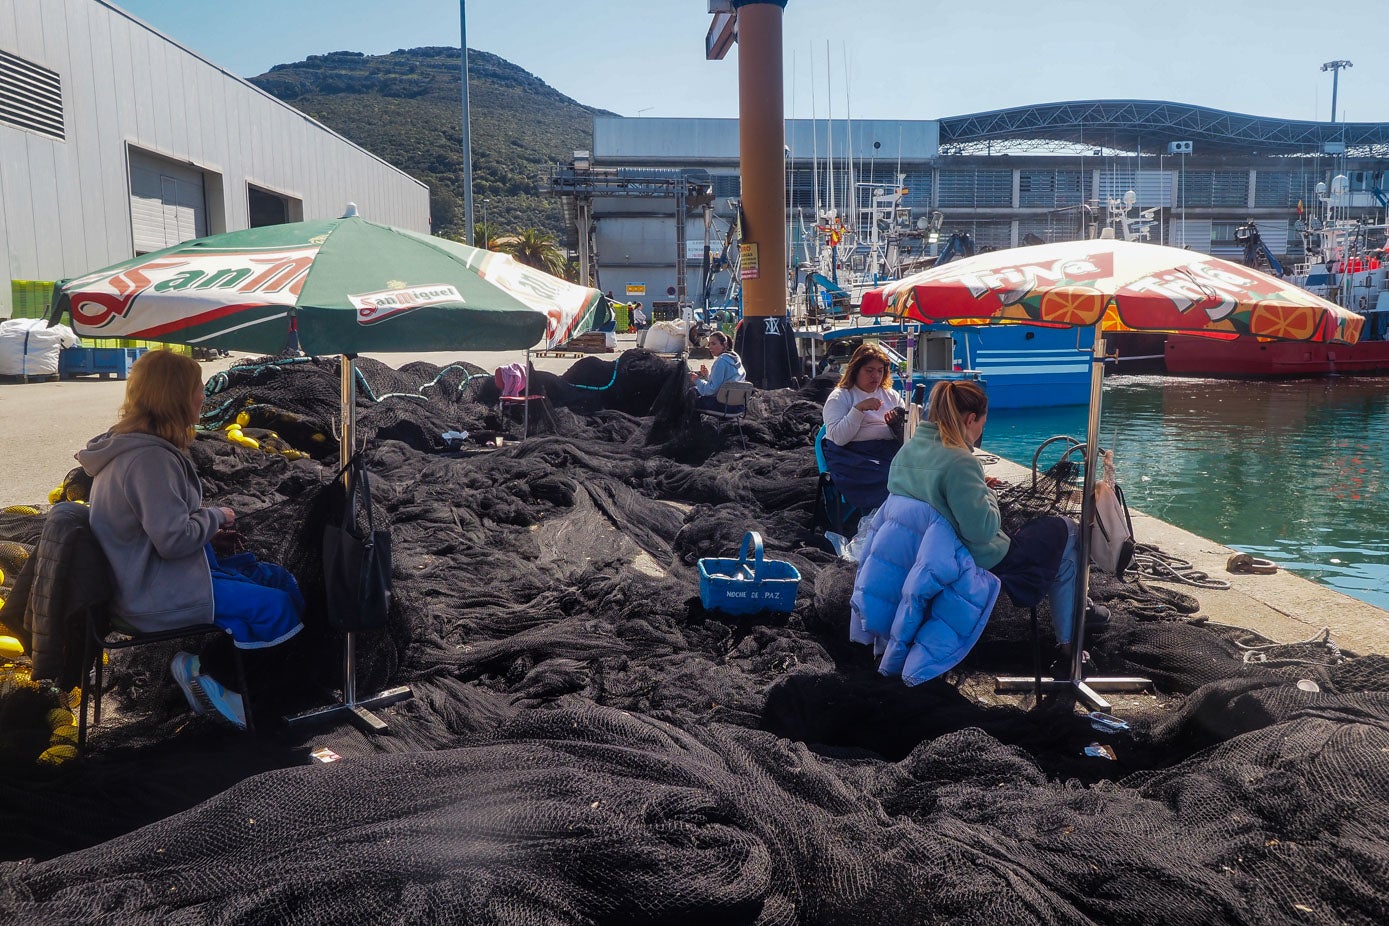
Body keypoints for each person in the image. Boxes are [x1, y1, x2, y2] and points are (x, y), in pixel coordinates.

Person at [77, 350, 304, 729]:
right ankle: (218, 676)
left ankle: (222, 680)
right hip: (153, 594)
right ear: (177, 397)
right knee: (275, 605)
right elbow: (172, 540)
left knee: (277, 579)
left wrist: (209, 530)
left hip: (149, 579)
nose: (203, 397)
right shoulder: (150, 461)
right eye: (198, 389)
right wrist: (217, 516)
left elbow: (158, 529)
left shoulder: (132, 448)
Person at [886, 380, 1104, 661]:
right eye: (982, 425)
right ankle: (1070, 645)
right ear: (970, 419)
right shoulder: (960, 462)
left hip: (921, 556)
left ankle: (1073, 623)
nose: (980, 432)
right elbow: (982, 531)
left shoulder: (907, 452)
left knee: (1055, 543)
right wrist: (987, 491)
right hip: (974, 559)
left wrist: (976, 485)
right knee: (1067, 532)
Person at [820, 343, 906, 510]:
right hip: (852, 457)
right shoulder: (840, 397)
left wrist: (897, 426)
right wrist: (859, 409)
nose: (875, 376)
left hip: (887, 452)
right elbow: (838, 438)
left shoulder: (891, 396)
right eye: (869, 370)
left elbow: (908, 436)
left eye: (880, 371)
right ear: (856, 370)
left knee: (915, 472)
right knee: (891, 478)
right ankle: (884, 519)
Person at [689, 330, 746, 412]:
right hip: (738, 406)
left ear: (724, 344)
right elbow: (722, 384)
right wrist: (707, 376)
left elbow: (711, 390)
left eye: (713, 344)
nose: (710, 347)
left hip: (724, 405)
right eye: (709, 344)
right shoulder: (736, 358)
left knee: (692, 393)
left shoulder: (721, 361)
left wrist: (697, 380)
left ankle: (693, 424)